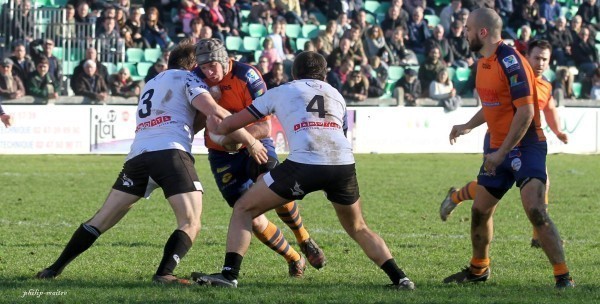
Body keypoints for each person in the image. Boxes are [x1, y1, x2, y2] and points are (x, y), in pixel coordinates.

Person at [35, 40, 268, 284]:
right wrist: (251, 142)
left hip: (138, 156)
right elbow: (215, 112)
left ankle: (54, 268)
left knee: (100, 219)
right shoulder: (188, 79)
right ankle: (165, 274)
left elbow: (188, 122)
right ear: (191, 66)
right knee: (191, 222)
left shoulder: (151, 83)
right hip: (170, 154)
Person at [191, 51, 415, 290]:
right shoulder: (336, 95)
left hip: (304, 164)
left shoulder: (282, 91)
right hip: (342, 165)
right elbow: (342, 133)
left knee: (244, 208)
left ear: (293, 73)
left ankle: (229, 275)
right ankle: (401, 278)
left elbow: (233, 124)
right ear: (325, 73)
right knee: (359, 227)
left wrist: (217, 125)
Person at [442, 8, 574, 288]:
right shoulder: (483, 62)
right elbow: (493, 106)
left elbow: (526, 113)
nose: (464, 33)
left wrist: (502, 153)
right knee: (480, 210)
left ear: (483, 32)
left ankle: (563, 277)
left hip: (526, 144)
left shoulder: (511, 61)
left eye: (467, 29)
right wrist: (467, 125)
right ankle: (479, 270)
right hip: (498, 145)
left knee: (535, 209)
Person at [192, 38, 326, 277]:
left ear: (224, 60)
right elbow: (195, 122)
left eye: (212, 65)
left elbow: (265, 127)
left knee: (275, 187)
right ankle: (294, 257)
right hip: (222, 155)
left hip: (257, 143)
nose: (208, 72)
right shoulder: (195, 79)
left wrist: (243, 140)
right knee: (251, 217)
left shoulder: (248, 76)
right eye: (204, 67)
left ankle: (303, 238)